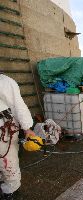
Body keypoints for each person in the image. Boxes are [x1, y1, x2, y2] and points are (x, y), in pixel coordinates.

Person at [0, 72, 35, 200]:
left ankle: (11, 189)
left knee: (8, 160)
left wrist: (27, 129)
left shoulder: (4, 81)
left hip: (4, 129)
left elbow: (18, 106)